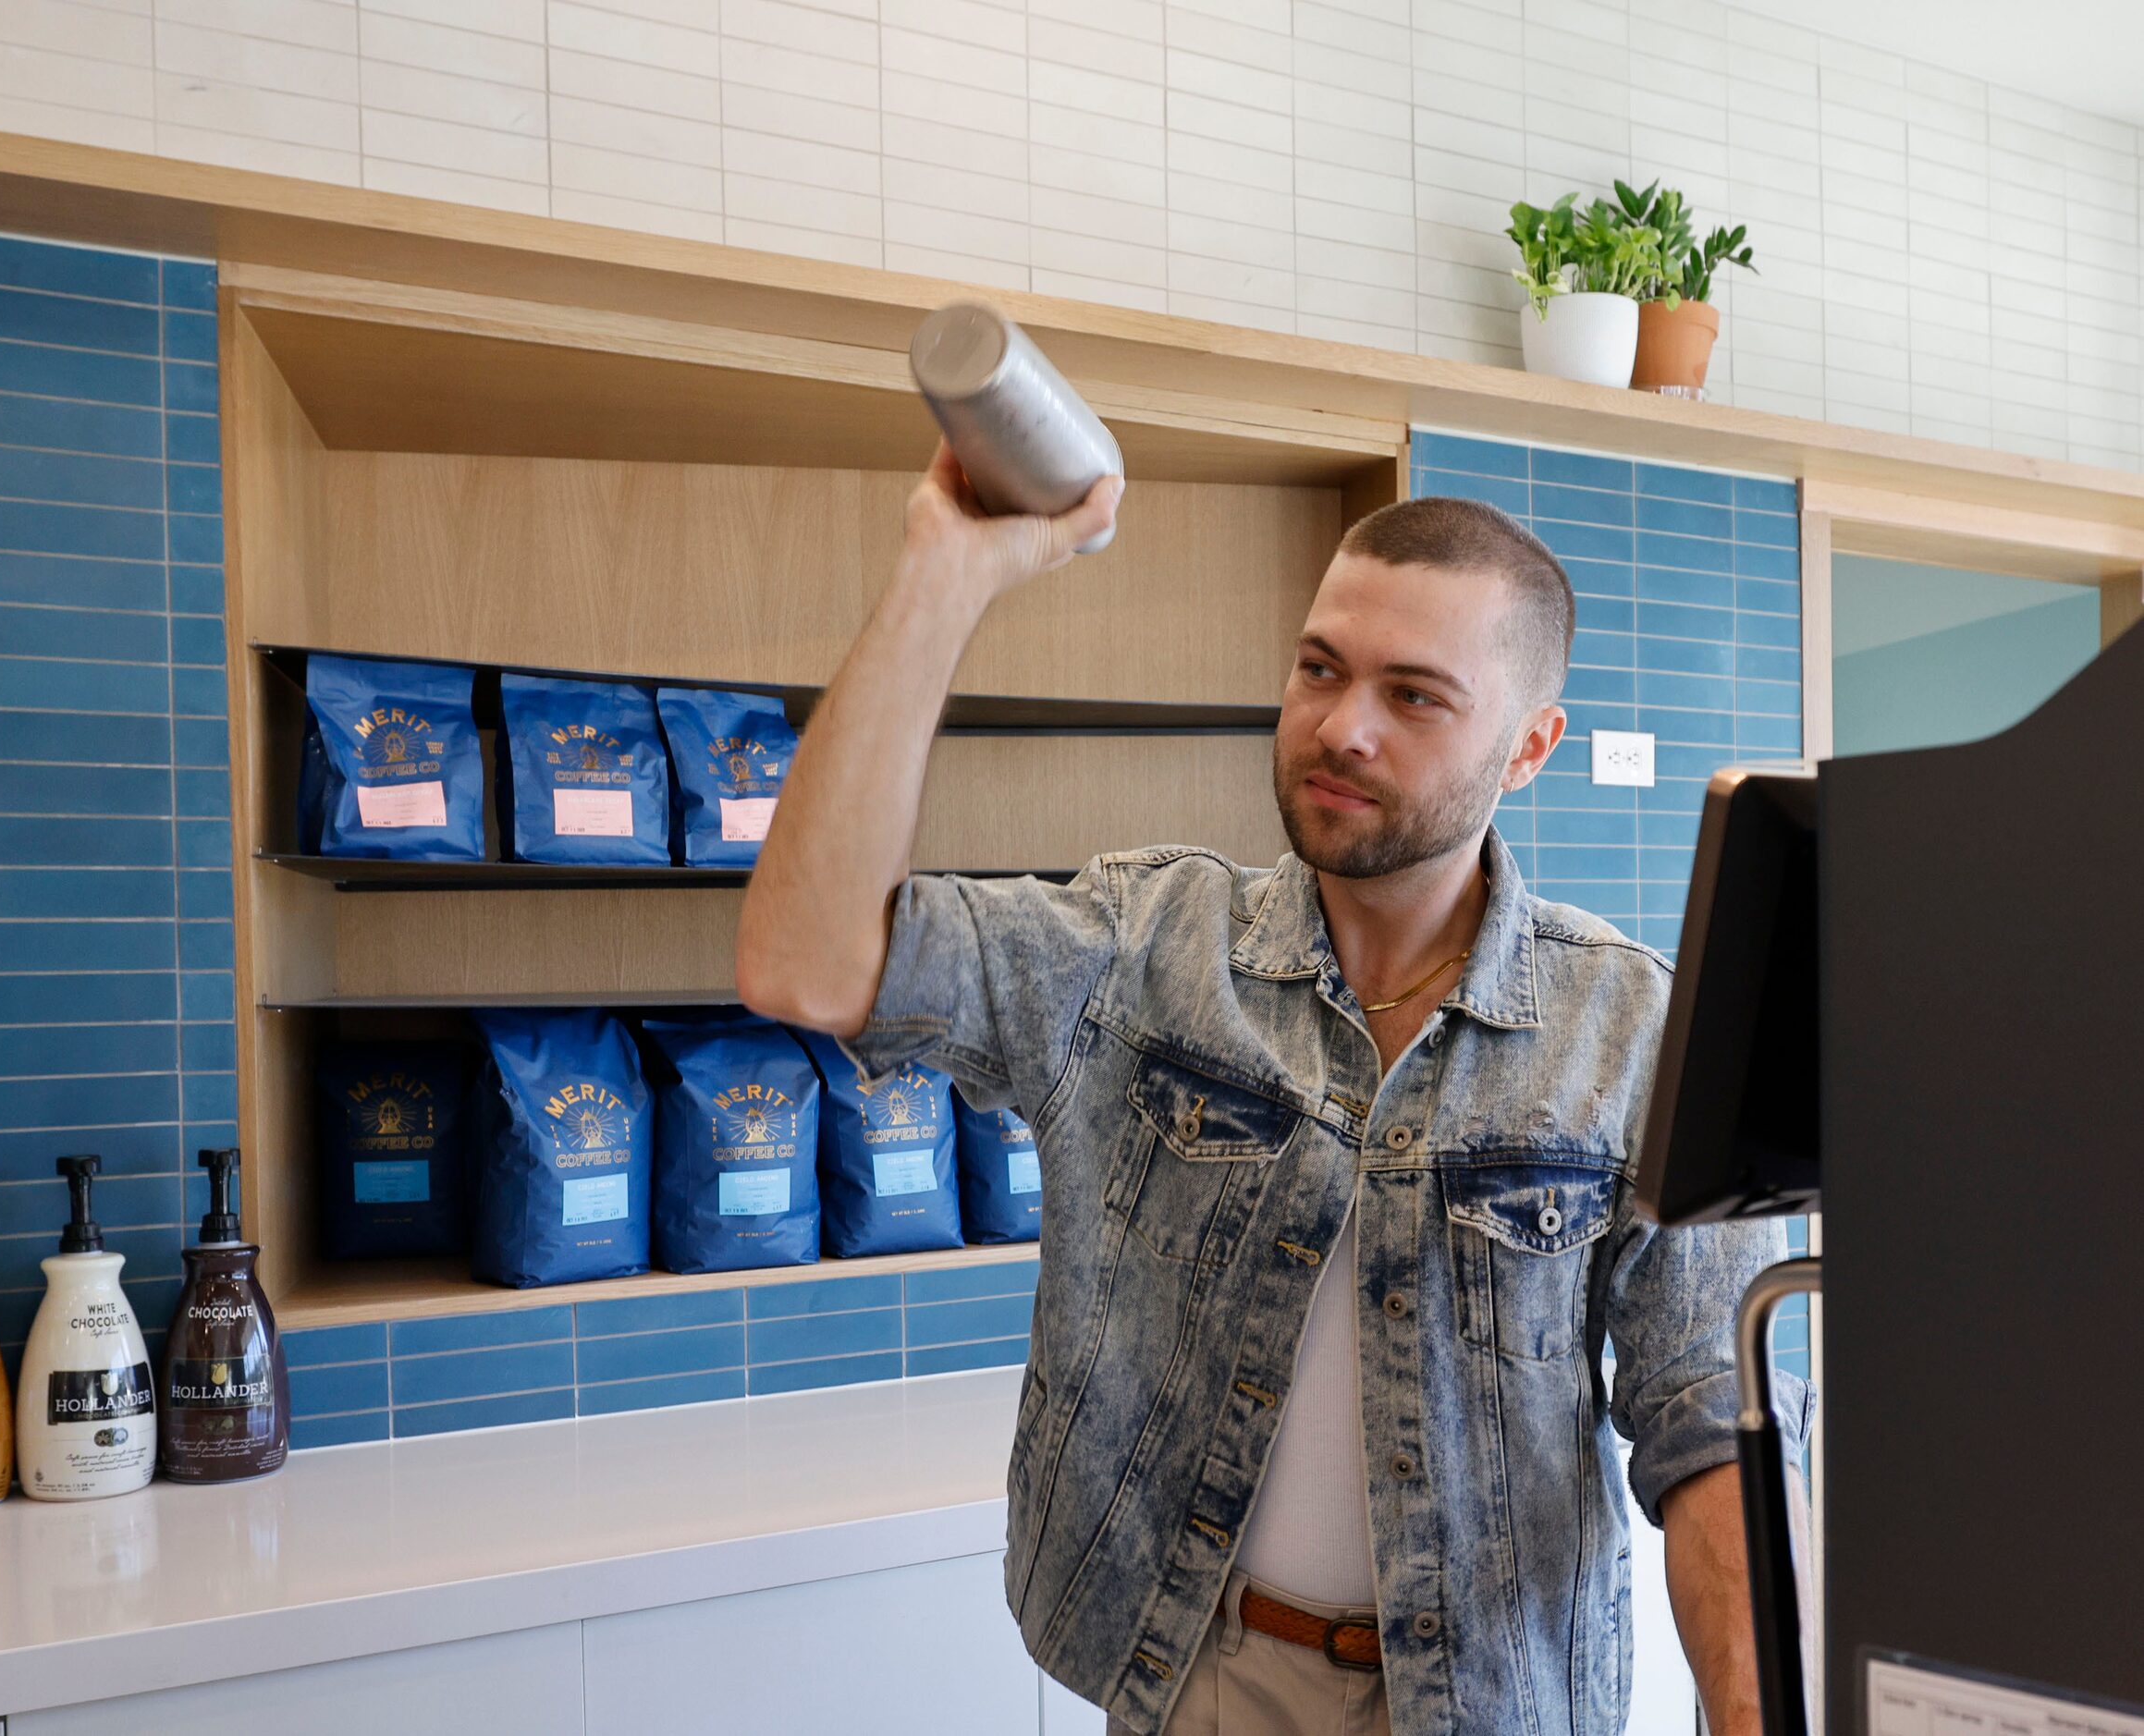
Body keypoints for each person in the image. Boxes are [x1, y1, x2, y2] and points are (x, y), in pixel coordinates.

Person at [734, 445, 1811, 1736]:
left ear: (1530, 746)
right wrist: (943, 575)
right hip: (1199, 1674)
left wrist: (1757, 1710)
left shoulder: (1637, 1030)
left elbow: (1712, 1427)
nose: (1343, 724)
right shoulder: (1141, 948)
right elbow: (803, 959)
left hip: (1496, 1701)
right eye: (1320, 668)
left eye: (1415, 695)